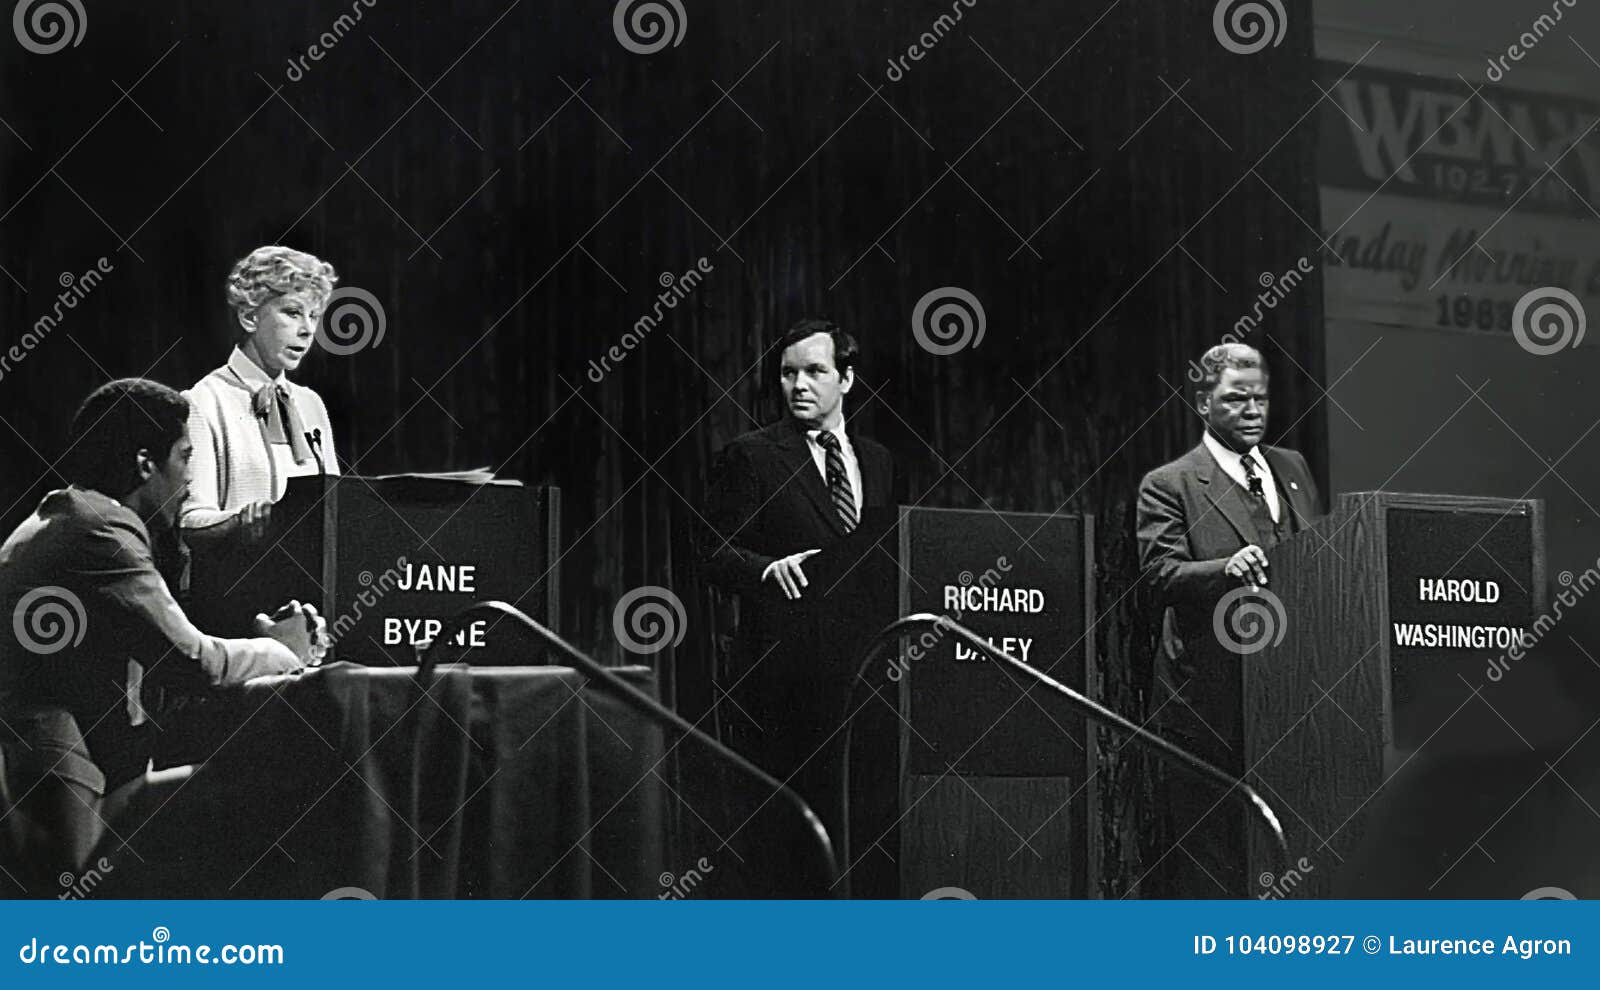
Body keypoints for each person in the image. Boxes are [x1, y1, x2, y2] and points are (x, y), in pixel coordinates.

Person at [0, 378, 323, 893]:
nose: (191, 481)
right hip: (58, 784)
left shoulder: (74, 517)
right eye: (186, 457)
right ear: (145, 463)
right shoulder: (103, 530)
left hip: (64, 770)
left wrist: (254, 638)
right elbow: (193, 662)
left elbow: (164, 652)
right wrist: (284, 651)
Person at [700, 320, 897, 860]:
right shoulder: (752, 455)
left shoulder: (877, 461)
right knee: (790, 845)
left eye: (815, 371)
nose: (799, 385)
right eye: (788, 374)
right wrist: (766, 569)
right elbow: (713, 553)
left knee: (862, 831)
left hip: (866, 677)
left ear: (847, 380)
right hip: (784, 679)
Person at [1135, 342, 1322, 898]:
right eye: (1236, 398)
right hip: (1208, 702)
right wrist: (1224, 568)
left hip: (1290, 696)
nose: (1252, 410)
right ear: (1203, 403)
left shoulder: (1292, 469)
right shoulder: (1170, 483)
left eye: (1260, 399)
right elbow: (1158, 576)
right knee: (1213, 867)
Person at [181, 245, 340, 548]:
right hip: (239, 583)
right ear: (250, 317)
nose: (307, 330)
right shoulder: (204, 401)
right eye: (293, 313)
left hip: (311, 584)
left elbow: (334, 511)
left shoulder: (311, 404)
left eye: (314, 315)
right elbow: (189, 520)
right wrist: (243, 520)